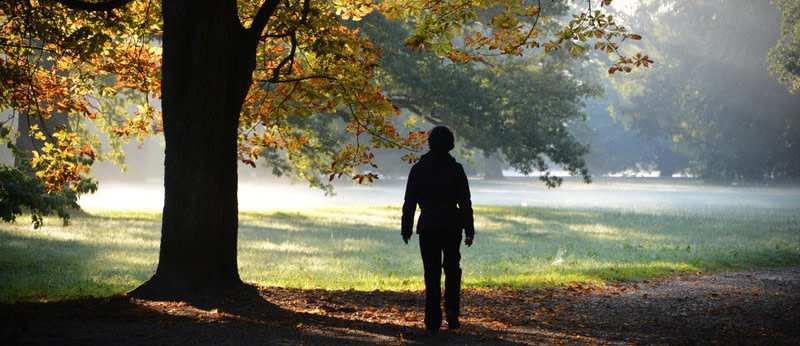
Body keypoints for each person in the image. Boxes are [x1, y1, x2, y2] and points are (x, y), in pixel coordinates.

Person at [401, 125, 474, 332]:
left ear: (430, 143)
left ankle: (432, 318)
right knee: (452, 268)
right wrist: (469, 229)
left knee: (431, 271)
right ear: (450, 144)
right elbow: (465, 202)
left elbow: (410, 202)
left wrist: (406, 228)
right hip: (451, 223)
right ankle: (452, 310)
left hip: (429, 225)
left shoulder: (419, 169)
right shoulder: (456, 169)